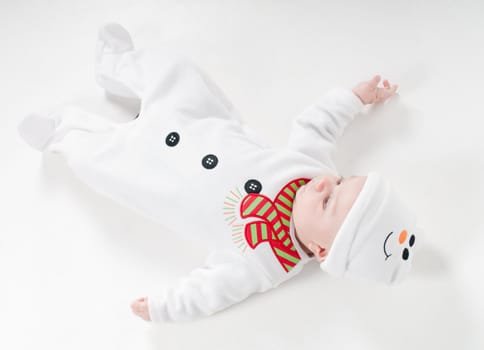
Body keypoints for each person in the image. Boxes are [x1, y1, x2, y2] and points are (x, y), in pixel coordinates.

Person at [17, 23, 417, 323]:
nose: (327, 181)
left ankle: (60, 131)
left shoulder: (265, 263)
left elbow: (212, 289)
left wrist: (164, 308)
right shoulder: (313, 170)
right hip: (199, 121)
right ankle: (117, 64)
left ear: (321, 250)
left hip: (153, 171)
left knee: (98, 161)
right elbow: (316, 125)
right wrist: (352, 98)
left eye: (329, 201)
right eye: (344, 180)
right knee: (179, 72)